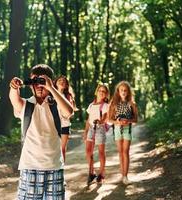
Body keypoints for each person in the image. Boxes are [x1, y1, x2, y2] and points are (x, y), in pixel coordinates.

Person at [9, 64, 73, 200]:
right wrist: (14, 88)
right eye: (35, 81)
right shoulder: (26, 105)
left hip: (54, 166)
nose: (38, 85)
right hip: (31, 166)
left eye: (42, 82)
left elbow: (69, 111)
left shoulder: (56, 105)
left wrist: (51, 88)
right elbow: (14, 100)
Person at [108, 81, 138, 185]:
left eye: (125, 90)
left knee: (126, 152)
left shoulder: (132, 103)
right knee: (120, 152)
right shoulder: (113, 103)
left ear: (128, 92)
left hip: (127, 129)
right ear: (118, 91)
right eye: (121, 90)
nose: (123, 92)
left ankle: (125, 176)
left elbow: (135, 119)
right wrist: (117, 122)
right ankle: (122, 175)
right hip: (117, 129)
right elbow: (109, 119)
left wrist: (127, 121)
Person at [83, 83, 109, 185]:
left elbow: (105, 118)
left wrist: (101, 121)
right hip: (90, 129)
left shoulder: (106, 106)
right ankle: (92, 172)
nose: (101, 93)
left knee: (101, 152)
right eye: (100, 91)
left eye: (104, 91)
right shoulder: (91, 105)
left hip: (100, 129)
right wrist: (85, 132)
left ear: (106, 94)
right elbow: (88, 119)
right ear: (96, 92)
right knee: (88, 151)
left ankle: (102, 174)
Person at [54, 75, 76, 163]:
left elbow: (72, 112)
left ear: (66, 85)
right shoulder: (51, 95)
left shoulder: (68, 96)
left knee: (62, 148)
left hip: (65, 125)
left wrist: (66, 115)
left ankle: (61, 168)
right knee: (54, 148)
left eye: (64, 81)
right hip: (53, 125)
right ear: (55, 83)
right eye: (60, 80)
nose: (62, 82)